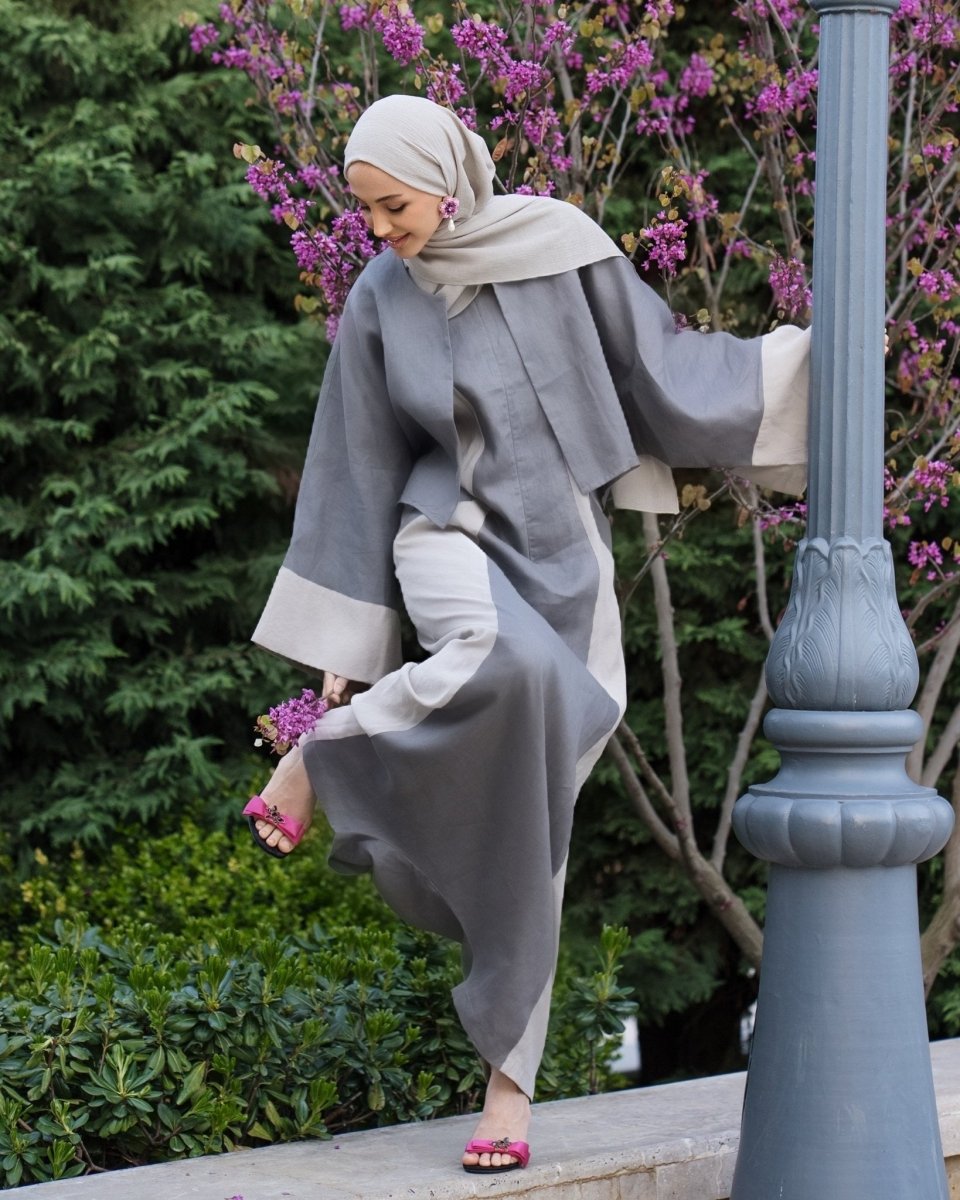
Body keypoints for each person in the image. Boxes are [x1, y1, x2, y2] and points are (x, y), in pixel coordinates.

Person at [243, 94, 809, 1174]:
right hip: (443, 533)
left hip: (566, 561)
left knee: (533, 814)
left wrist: (808, 369)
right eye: (364, 209)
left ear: (446, 181)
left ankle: (508, 1085)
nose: (378, 228)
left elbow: (664, 369)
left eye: (394, 205)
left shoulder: (558, 248)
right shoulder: (378, 295)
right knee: (487, 655)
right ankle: (323, 753)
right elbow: (356, 464)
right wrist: (343, 668)